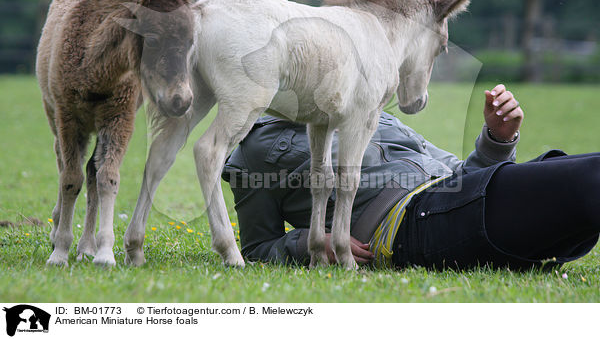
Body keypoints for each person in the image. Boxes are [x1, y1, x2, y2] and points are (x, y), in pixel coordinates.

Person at [222, 84, 600, 270]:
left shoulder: (367, 106)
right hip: (408, 226)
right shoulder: (257, 147)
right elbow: (257, 246)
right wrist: (310, 241)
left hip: (453, 203)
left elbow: (461, 179)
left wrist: (497, 140)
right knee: (586, 180)